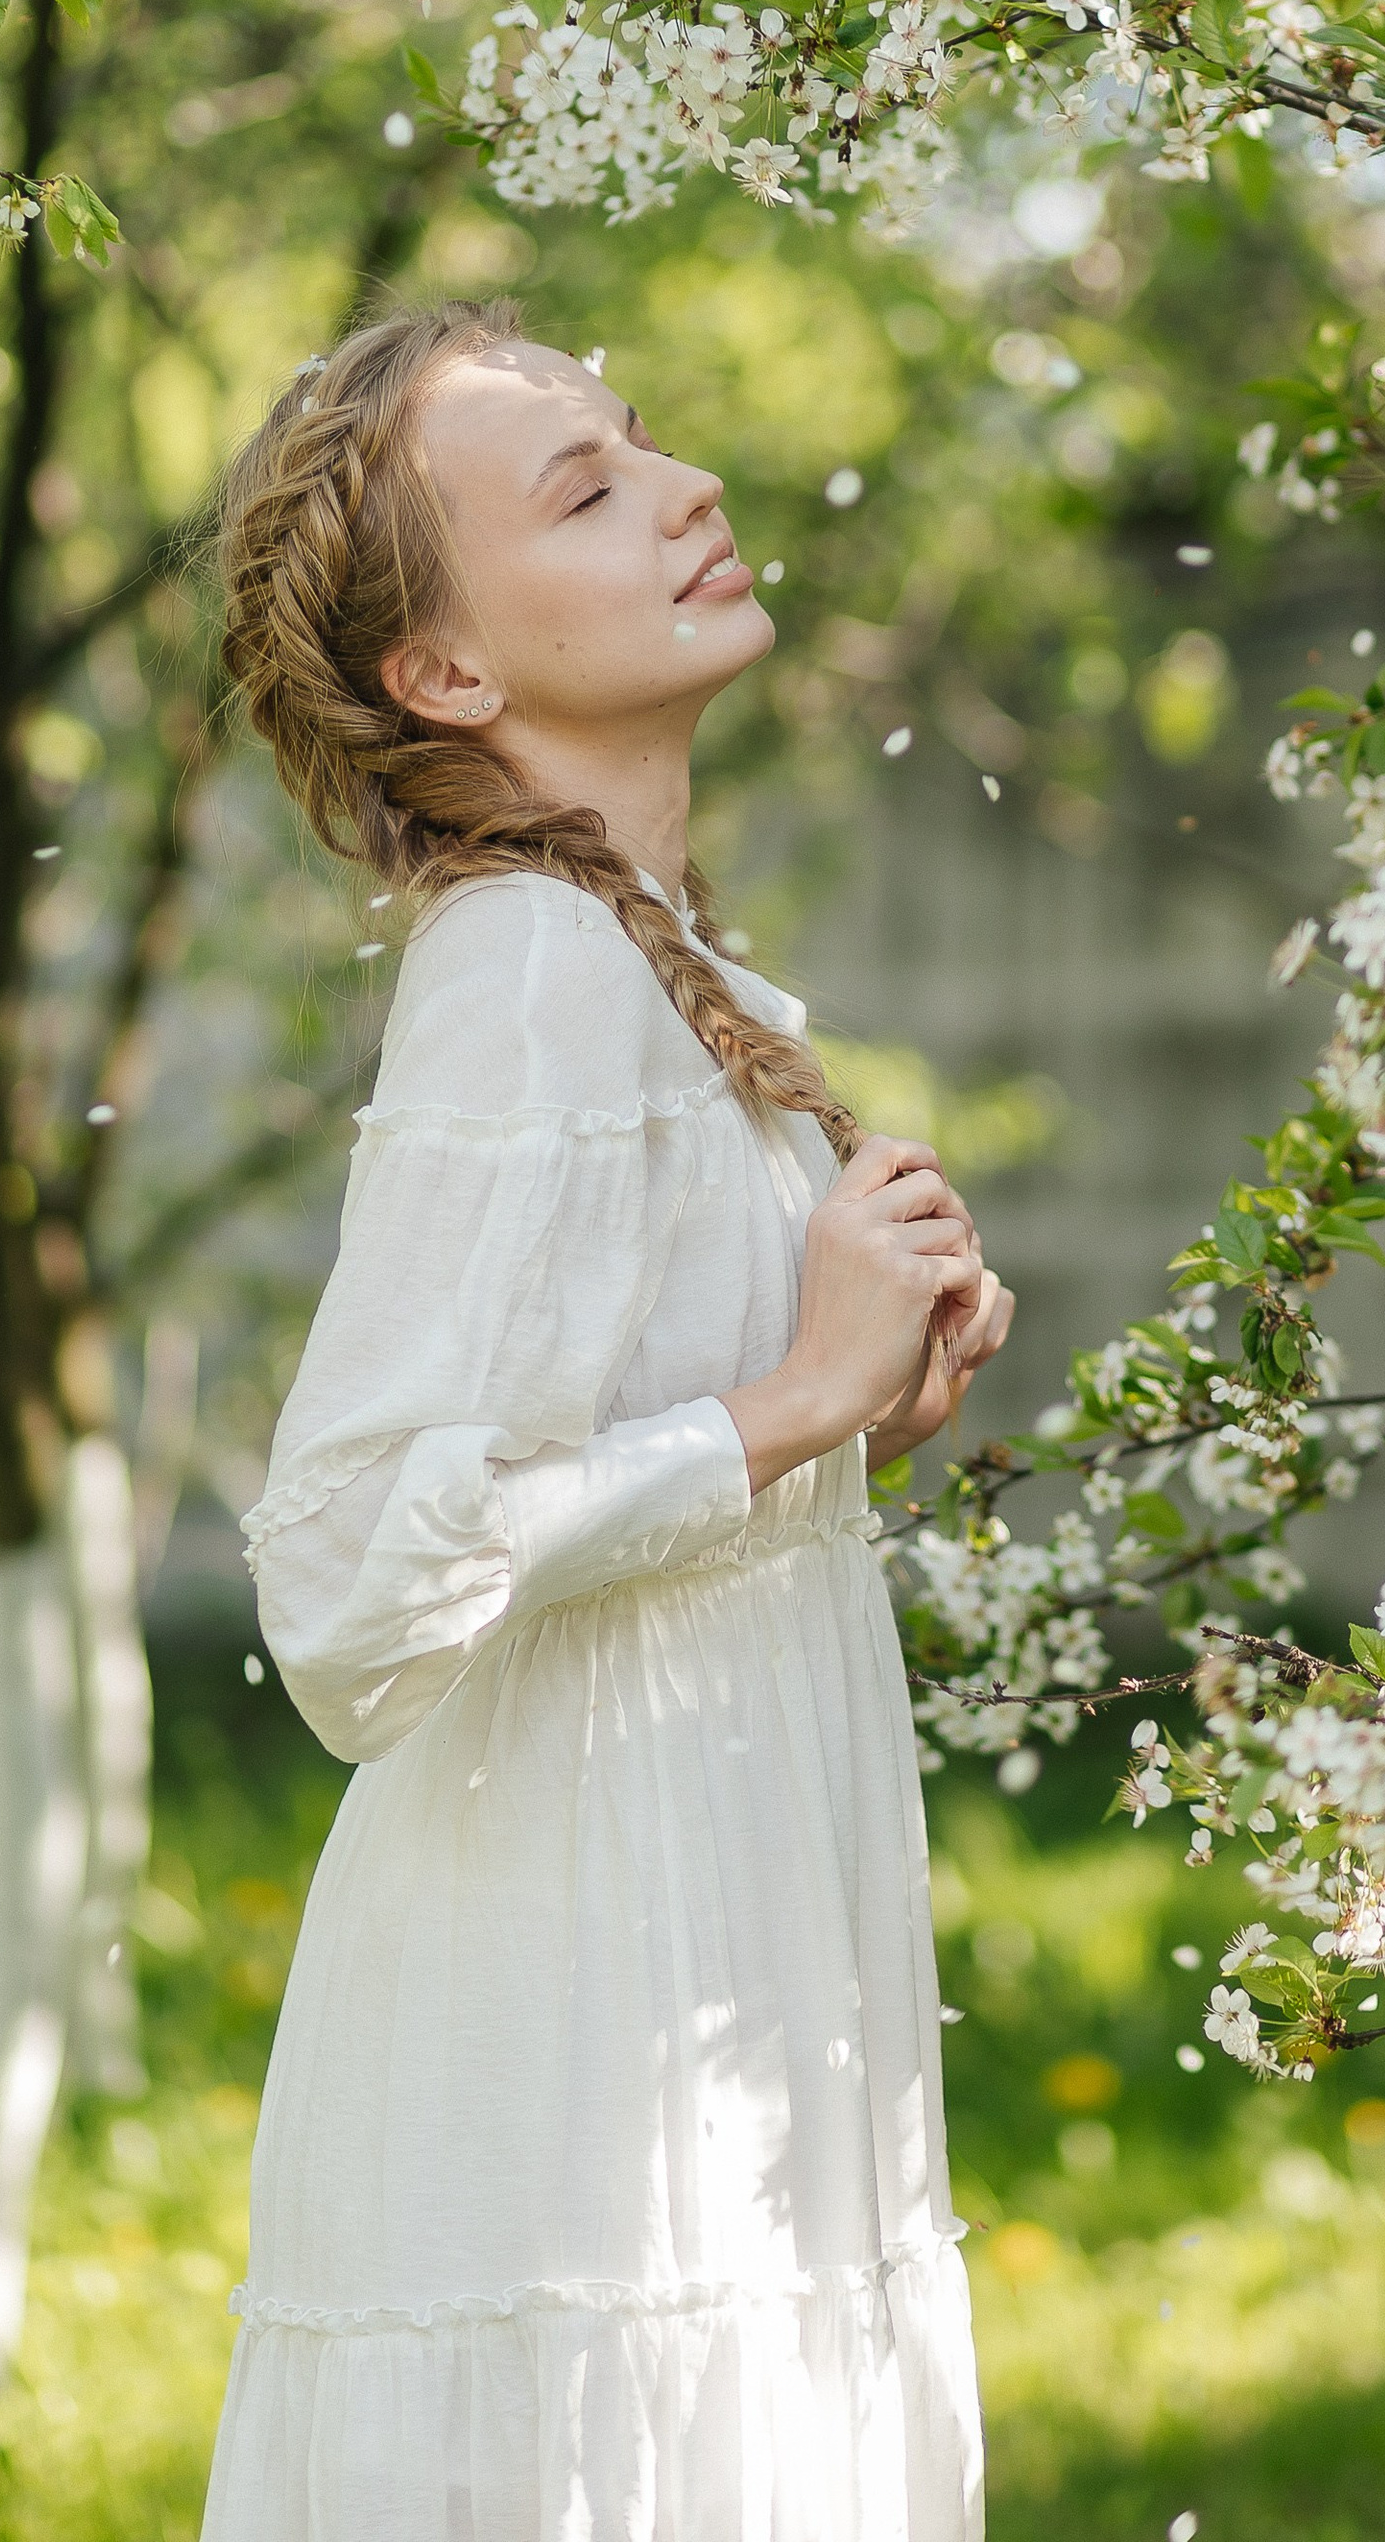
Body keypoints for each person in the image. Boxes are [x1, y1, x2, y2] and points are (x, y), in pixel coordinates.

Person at [201, 298, 1012, 2542]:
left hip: (727, 1950)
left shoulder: (666, 971)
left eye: (643, 443)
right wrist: (782, 1409)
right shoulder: (529, 969)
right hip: (573, 2036)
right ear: (443, 676)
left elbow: (599, 1458)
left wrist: (863, 1408)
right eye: (583, 487)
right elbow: (353, 1593)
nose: (686, 488)